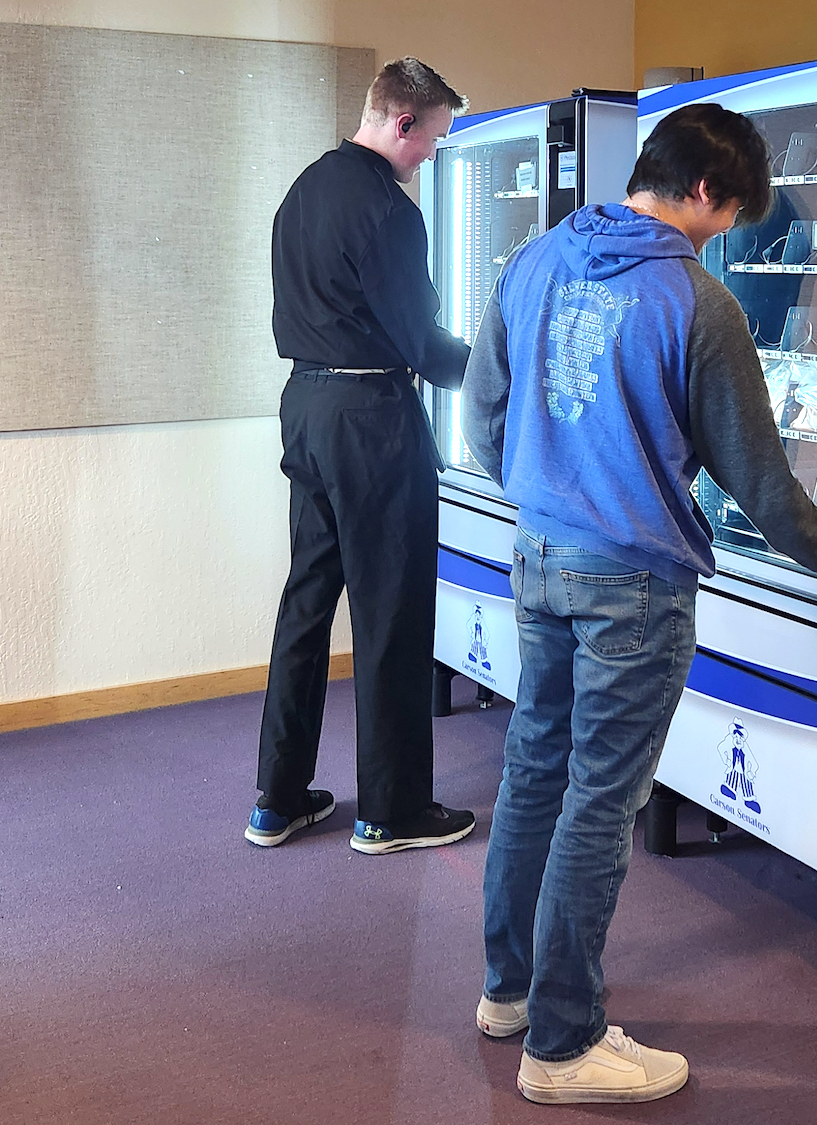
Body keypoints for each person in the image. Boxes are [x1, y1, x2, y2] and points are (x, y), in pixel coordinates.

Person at [459, 103, 817, 1105]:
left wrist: (546, 490)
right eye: (728, 217)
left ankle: (508, 993)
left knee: (533, 771)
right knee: (600, 804)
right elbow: (761, 481)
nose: (723, 235)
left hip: (540, 552)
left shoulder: (532, 260)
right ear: (703, 190)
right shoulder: (697, 302)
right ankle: (563, 1047)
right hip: (634, 584)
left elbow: (486, 416)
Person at [244, 58, 476, 855]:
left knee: (307, 601)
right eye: (434, 142)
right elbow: (421, 344)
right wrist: (498, 369)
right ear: (402, 122)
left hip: (304, 410)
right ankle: (393, 809)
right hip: (371, 418)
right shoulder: (388, 210)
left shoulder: (302, 190)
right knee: (392, 611)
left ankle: (277, 798)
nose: (430, 160)